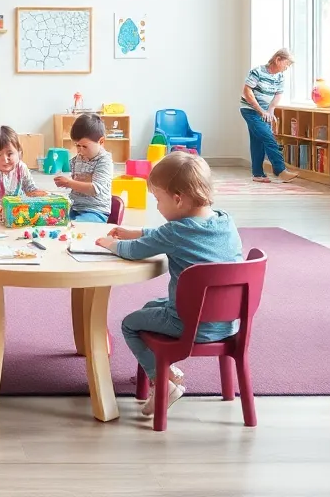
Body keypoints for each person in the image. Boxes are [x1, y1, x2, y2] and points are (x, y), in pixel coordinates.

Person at [95, 152, 243, 419]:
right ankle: (165, 371)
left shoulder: (175, 232)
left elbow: (135, 251)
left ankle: (162, 381)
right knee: (152, 306)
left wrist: (112, 244)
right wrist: (139, 231)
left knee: (130, 323)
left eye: (158, 200)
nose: (157, 207)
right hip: (226, 323)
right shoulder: (225, 221)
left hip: (187, 325)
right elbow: (165, 236)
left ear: (178, 199)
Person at [240, 49, 298, 183]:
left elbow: (278, 94)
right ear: (278, 59)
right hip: (249, 110)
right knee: (268, 137)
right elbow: (247, 91)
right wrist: (261, 110)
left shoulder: (279, 76)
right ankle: (280, 170)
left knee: (257, 140)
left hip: (265, 112)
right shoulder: (257, 72)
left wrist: (271, 110)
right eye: (286, 64)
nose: (286, 68)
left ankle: (258, 174)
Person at [53, 113, 113, 222]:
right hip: (74, 207)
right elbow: (77, 182)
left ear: (101, 141)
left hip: (95, 211)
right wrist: (66, 182)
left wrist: (69, 183)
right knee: (51, 218)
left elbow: (94, 189)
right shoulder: (79, 158)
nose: (80, 150)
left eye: (85, 146)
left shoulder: (104, 161)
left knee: (74, 226)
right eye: (77, 145)